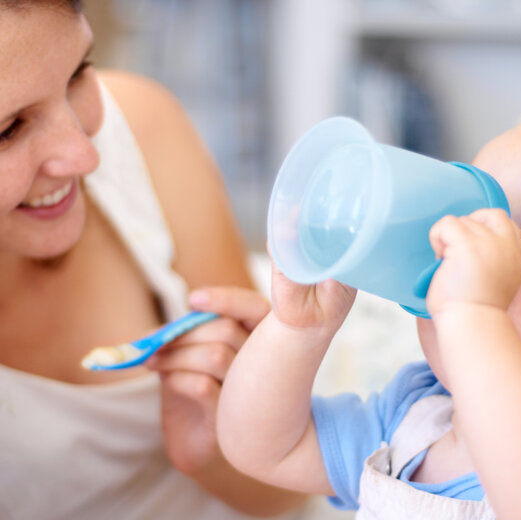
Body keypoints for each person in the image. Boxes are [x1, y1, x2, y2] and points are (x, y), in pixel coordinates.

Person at [0, 1, 307, 519]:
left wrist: (228, 446)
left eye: (77, 74)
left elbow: (287, 496)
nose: (86, 156)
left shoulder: (141, 125)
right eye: (7, 130)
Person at [217, 113, 521, 519]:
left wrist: (474, 313)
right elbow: (264, 448)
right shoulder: (411, 414)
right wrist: (297, 328)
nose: (476, 242)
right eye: (468, 212)